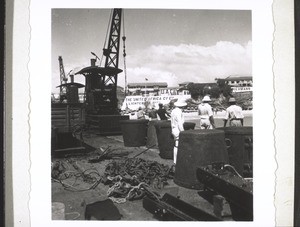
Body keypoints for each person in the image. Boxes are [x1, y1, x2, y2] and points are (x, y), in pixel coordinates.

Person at [171, 99, 187, 164]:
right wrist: (184, 132)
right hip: (178, 130)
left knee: (176, 145)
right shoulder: (179, 112)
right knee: (178, 146)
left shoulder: (173, 111)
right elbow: (180, 124)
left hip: (174, 129)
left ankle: (175, 160)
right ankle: (177, 161)